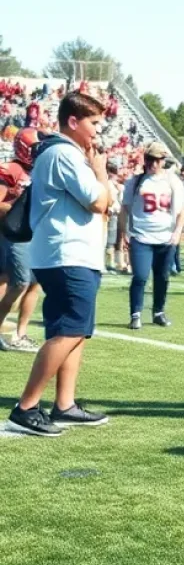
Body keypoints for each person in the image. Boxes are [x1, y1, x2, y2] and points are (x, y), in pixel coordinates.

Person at [6, 92, 111, 437]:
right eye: (94, 122)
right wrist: (100, 172)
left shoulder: (62, 152)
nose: (99, 129)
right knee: (69, 330)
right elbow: (98, 202)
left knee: (74, 330)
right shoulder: (64, 152)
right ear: (73, 121)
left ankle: (64, 405)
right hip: (67, 254)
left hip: (71, 254)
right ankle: (26, 407)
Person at [120, 141, 184, 330]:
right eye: (149, 159)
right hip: (141, 236)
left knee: (163, 276)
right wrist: (124, 232)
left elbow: (182, 210)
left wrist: (177, 233)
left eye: (157, 160)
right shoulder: (135, 181)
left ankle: (158, 311)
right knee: (140, 276)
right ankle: (135, 313)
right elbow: (124, 209)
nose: (152, 164)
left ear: (163, 161)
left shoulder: (172, 181)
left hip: (165, 237)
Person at [0, 127, 41, 352]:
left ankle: (20, 333)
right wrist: (19, 211)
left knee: (34, 283)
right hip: (13, 233)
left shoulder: (39, 170)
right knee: (18, 282)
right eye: (34, 147)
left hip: (34, 233)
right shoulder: (12, 169)